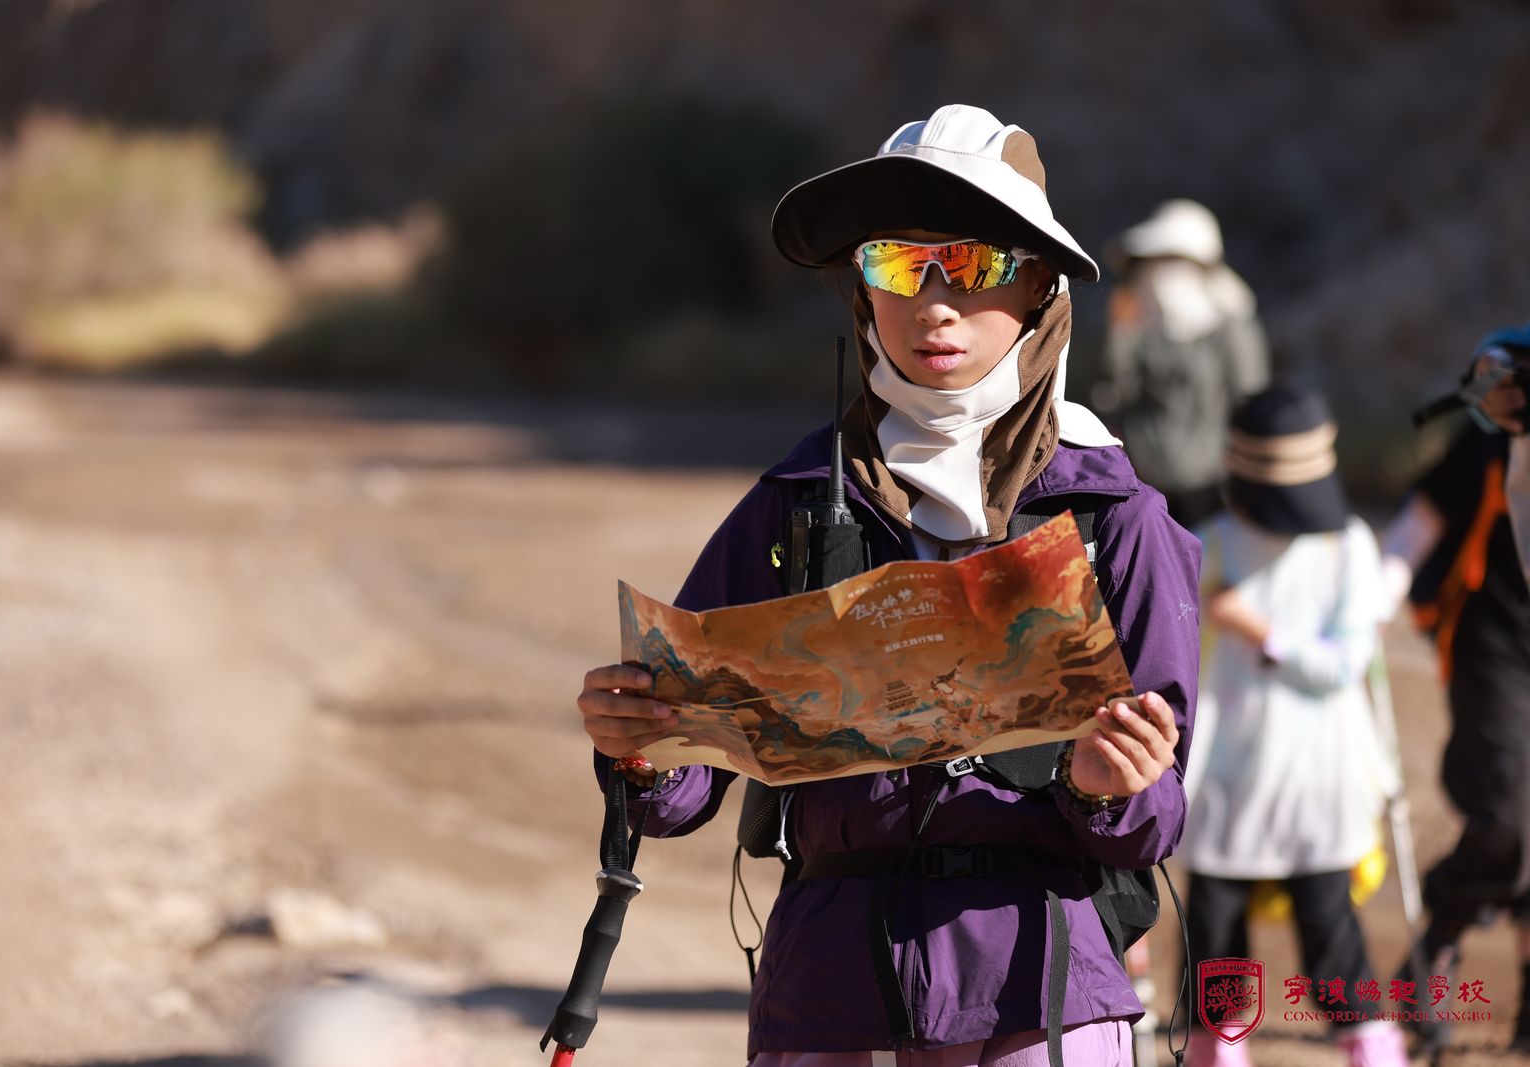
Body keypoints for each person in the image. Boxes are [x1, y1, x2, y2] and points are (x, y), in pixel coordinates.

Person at [575, 104, 1201, 1067]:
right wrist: (642, 747)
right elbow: (681, 784)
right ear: (860, 293)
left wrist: (1114, 787)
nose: (932, 304)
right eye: (896, 267)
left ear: (1039, 286)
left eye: (973, 265)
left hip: (1038, 994)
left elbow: (1155, 819)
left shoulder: (1116, 516)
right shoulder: (792, 501)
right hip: (827, 1000)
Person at [1179, 384, 1408, 1067]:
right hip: (1226, 771)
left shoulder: (1347, 546)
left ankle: (1369, 1044)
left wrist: (1262, 631)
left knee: (1329, 922)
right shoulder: (1213, 542)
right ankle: (1218, 1051)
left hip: (1318, 769)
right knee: (1216, 925)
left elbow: (1345, 666)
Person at [1381, 324, 1530, 1054]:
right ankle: (1437, 937)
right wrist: (1366, 608)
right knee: (1506, 811)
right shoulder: (1485, 449)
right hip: (1492, 650)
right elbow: (1418, 525)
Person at [1091, 199, 1270, 530]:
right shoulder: (1140, 330)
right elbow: (1117, 392)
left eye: (1171, 263)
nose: (1158, 277)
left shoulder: (1232, 329)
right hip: (1148, 488)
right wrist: (1121, 334)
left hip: (1212, 492)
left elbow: (1249, 399)